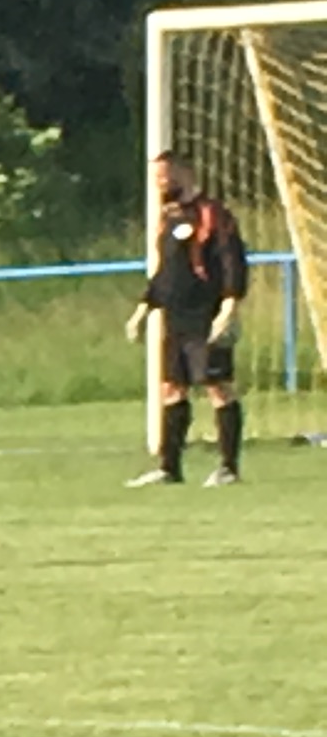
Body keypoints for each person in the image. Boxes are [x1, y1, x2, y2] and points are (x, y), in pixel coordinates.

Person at [132, 150, 250, 487]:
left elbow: (232, 261)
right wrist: (144, 308)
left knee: (218, 387)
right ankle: (169, 468)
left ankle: (228, 468)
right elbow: (165, 271)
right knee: (172, 388)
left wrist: (229, 305)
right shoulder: (168, 217)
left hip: (206, 315)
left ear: (184, 173)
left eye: (164, 176)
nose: (159, 183)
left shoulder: (212, 213)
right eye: (156, 177)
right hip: (175, 318)